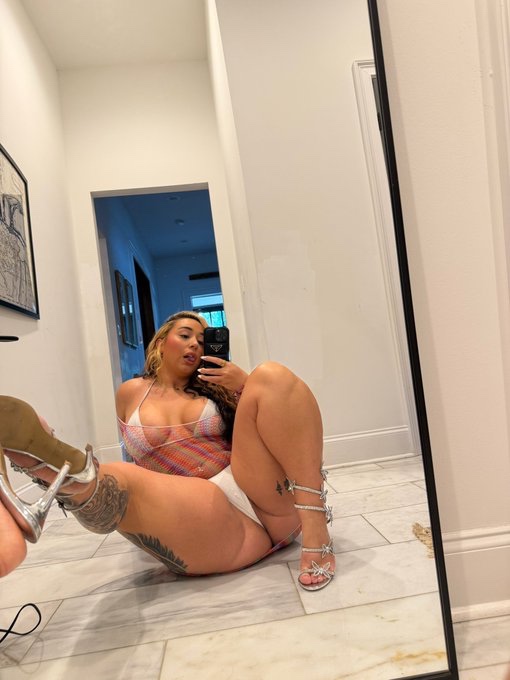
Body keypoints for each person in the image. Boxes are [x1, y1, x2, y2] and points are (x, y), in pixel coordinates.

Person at [0, 311, 335, 590]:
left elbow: (272, 428)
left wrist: (242, 385)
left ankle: (316, 527)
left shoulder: (217, 388)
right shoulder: (131, 392)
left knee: (271, 375)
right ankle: (54, 467)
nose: (195, 344)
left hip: (260, 493)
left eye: (203, 340)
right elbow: (140, 465)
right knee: (121, 475)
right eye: (186, 335)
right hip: (202, 515)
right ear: (161, 342)